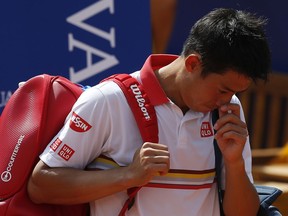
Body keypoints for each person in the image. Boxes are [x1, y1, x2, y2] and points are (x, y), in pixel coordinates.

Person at [28, 8, 271, 216]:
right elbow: (40, 186)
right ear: (193, 64)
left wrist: (235, 163)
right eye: (222, 90)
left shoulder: (230, 109)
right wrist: (129, 176)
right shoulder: (109, 100)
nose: (226, 101)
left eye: (235, 92)